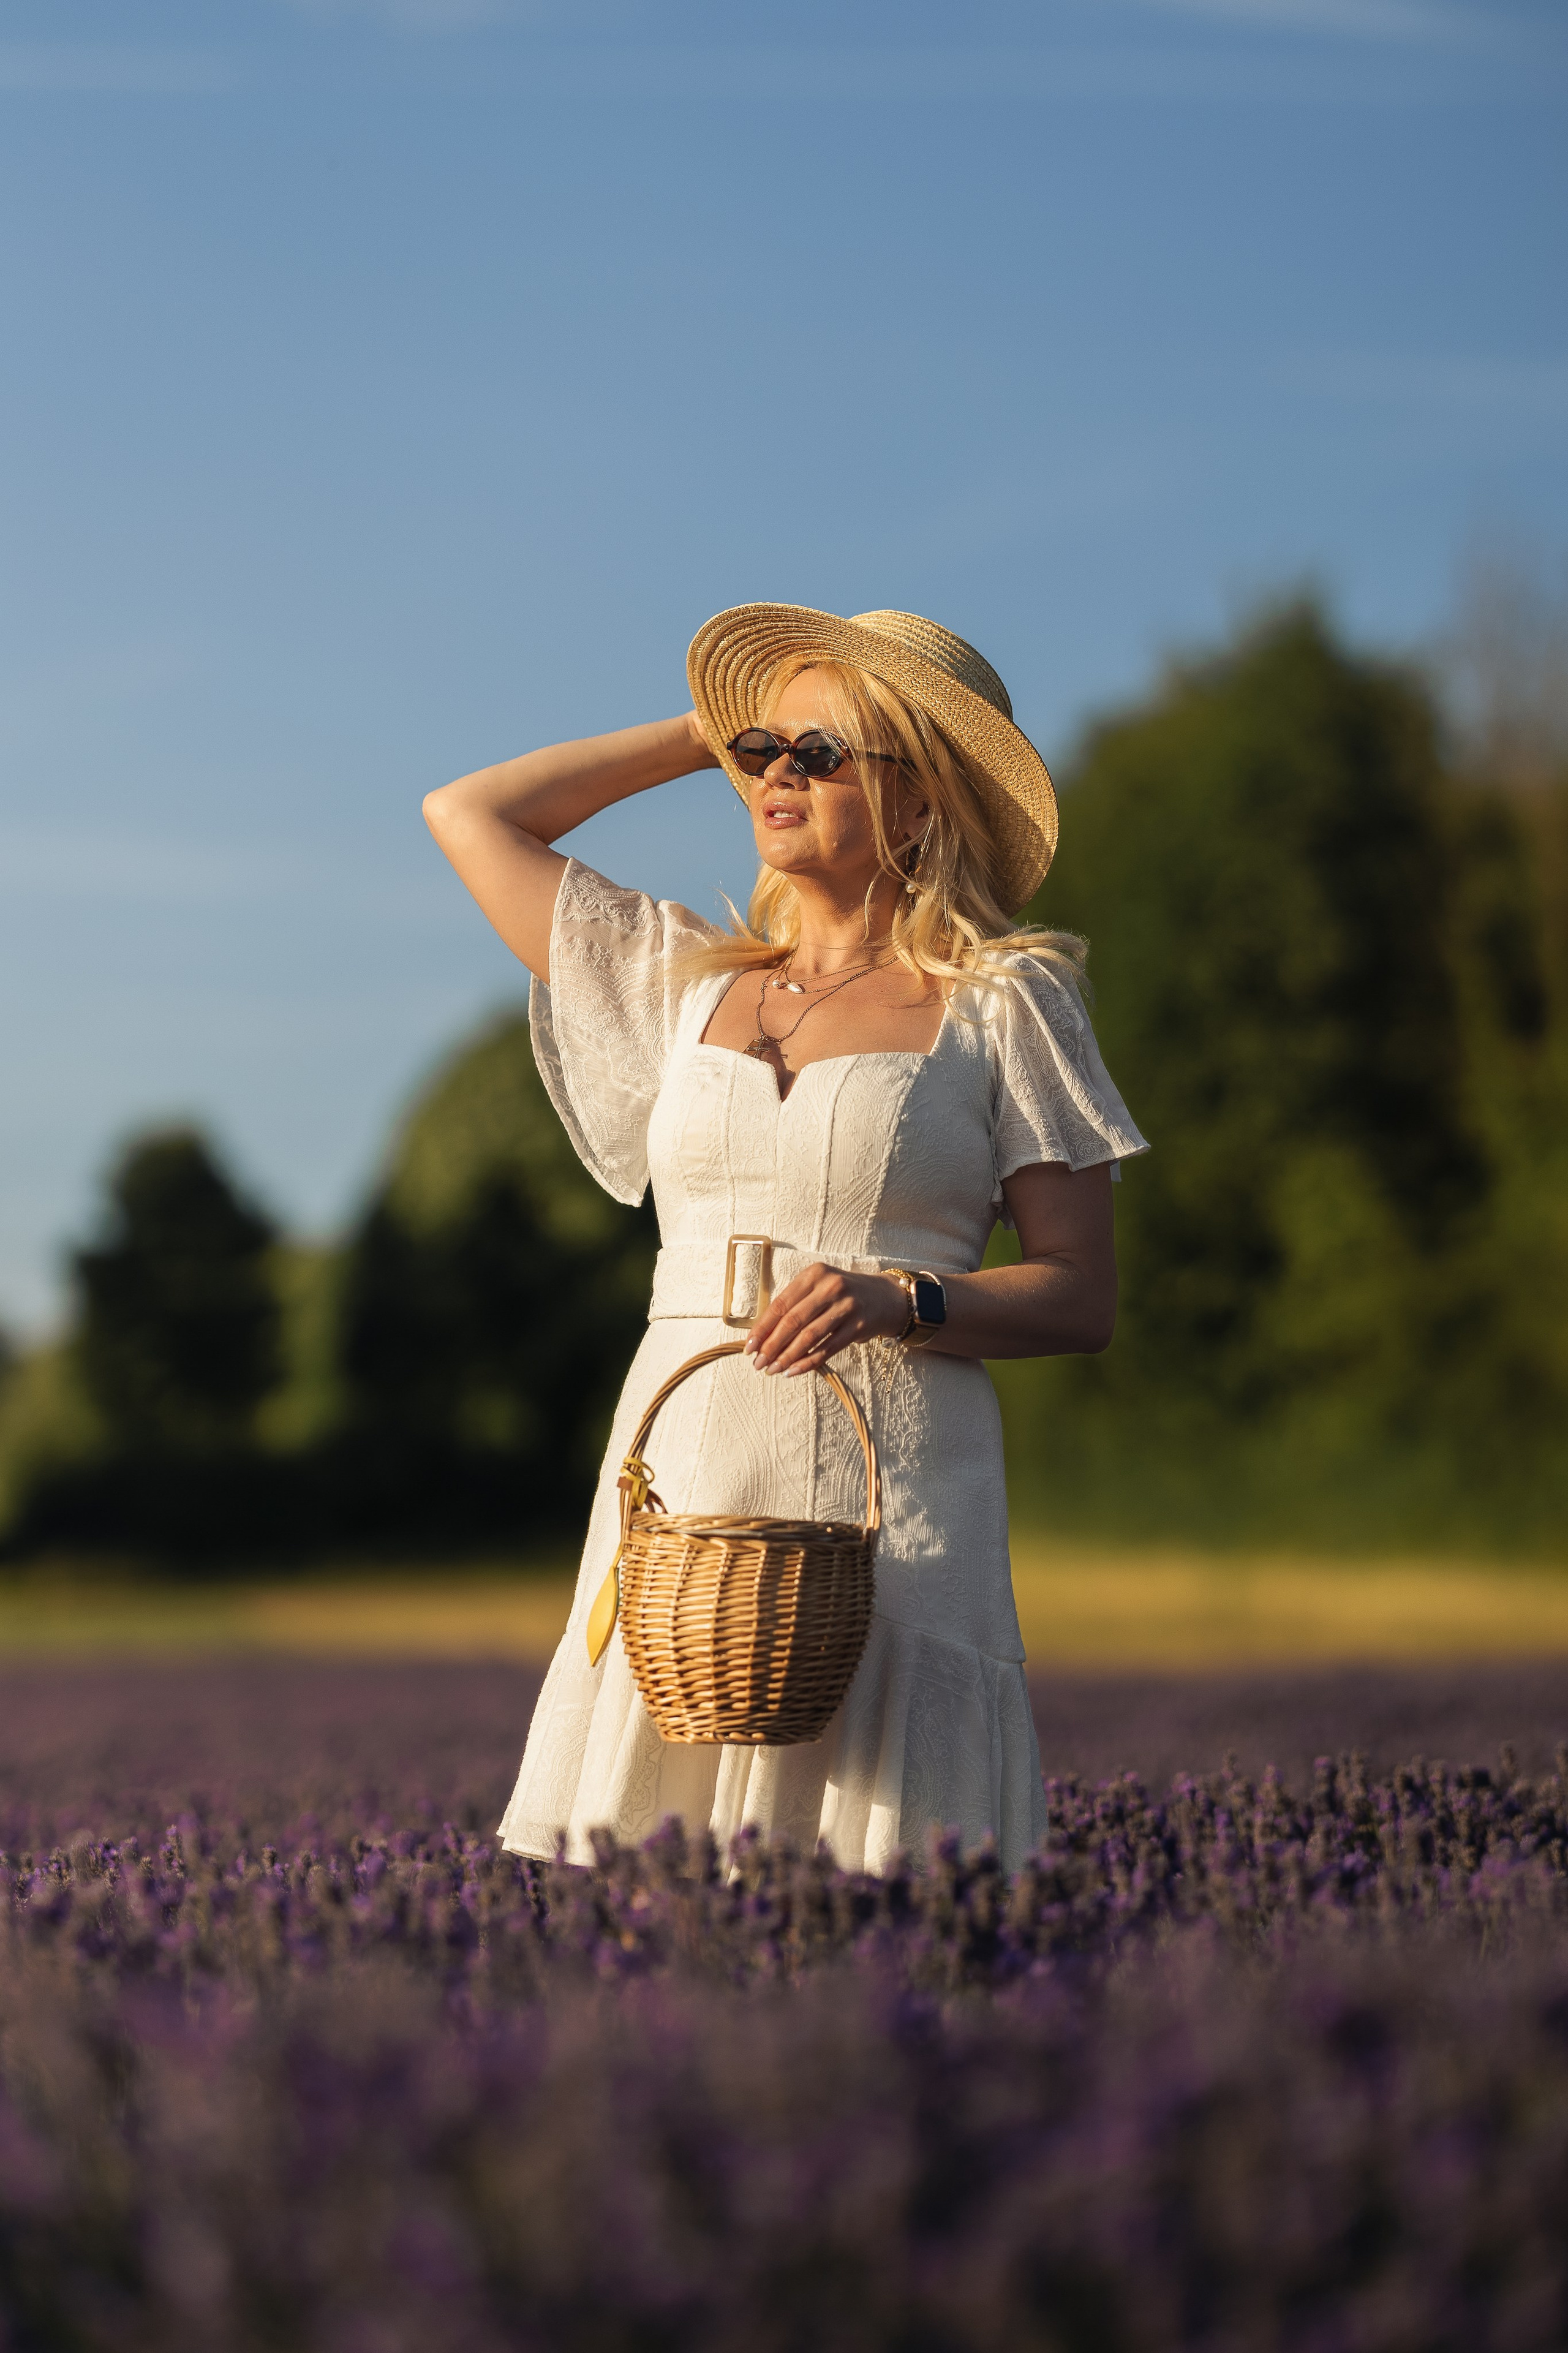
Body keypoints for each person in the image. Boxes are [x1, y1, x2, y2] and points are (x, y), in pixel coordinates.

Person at [423, 604, 1147, 1871]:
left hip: (894, 1470)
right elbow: (469, 814)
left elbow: (1080, 1294)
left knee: (890, 1866)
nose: (777, 775)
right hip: (686, 1445)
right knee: (659, 1875)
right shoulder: (678, 983)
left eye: (823, 755)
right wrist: (702, 732)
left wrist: (899, 1298)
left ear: (921, 804)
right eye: (764, 751)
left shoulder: (1004, 1001)